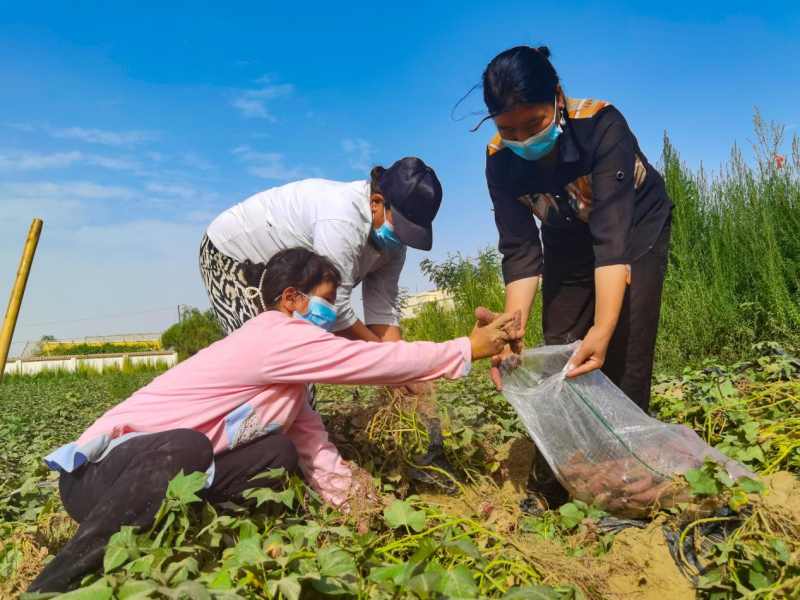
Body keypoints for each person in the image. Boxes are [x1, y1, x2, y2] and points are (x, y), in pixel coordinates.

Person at [28, 248, 516, 594]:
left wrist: (360, 515)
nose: (331, 314)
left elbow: (314, 450)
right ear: (290, 298)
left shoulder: (289, 384)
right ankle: (56, 582)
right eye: (325, 301)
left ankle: (202, 536)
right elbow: (373, 364)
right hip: (95, 480)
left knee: (279, 452)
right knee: (188, 448)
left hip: (156, 480)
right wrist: (466, 348)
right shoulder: (274, 338)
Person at [478, 46, 674, 510]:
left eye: (534, 123)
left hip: (632, 228)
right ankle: (564, 474)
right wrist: (509, 328)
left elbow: (611, 242)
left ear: (558, 98)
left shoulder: (602, 126)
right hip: (565, 236)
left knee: (623, 346)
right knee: (559, 347)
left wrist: (604, 328)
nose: (522, 138)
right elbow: (521, 254)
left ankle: (628, 478)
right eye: (508, 129)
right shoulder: (499, 160)